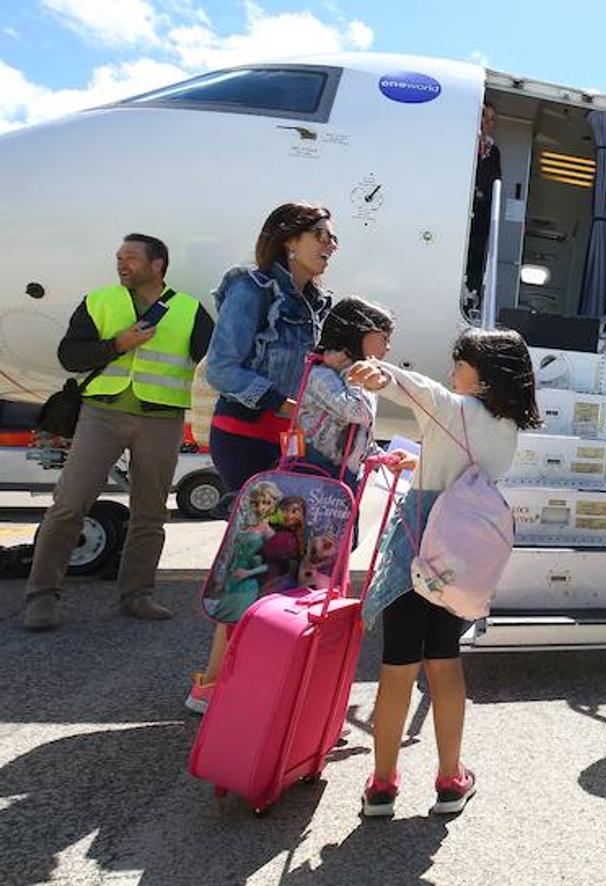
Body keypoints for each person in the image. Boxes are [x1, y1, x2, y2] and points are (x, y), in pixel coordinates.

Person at [349, 328, 540, 818]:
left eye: (461, 364)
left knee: (396, 671)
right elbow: (462, 467)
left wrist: (378, 370)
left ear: (484, 375)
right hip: (459, 561)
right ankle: (450, 780)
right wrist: (416, 458)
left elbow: (413, 387)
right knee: (445, 663)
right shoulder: (507, 428)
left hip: (419, 554)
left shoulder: (451, 406)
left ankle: (383, 786)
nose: (452, 373)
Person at [186, 202, 337, 714]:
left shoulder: (318, 302)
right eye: (320, 234)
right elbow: (222, 369)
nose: (329, 245)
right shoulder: (251, 288)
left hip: (289, 442)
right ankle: (211, 683)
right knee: (258, 557)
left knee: (284, 561)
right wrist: (280, 401)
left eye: (331, 238)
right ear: (288, 239)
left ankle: (251, 679)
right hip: (247, 435)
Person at [22, 234, 213, 631]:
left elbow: (214, 362)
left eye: (131, 258)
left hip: (161, 420)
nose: (122, 264)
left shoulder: (190, 310)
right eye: (119, 258)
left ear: (157, 264)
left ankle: (137, 595)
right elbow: (70, 356)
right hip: (101, 415)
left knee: (151, 513)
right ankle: (41, 598)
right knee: (69, 504)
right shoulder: (100, 301)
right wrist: (117, 344)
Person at [299, 296, 396, 491]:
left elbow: (362, 430)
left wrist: (379, 458)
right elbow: (358, 411)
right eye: (384, 338)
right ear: (358, 334)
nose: (388, 347)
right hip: (315, 479)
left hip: (345, 482)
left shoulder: (357, 381)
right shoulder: (321, 376)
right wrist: (353, 373)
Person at [464, 100, 504, 304]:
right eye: (484, 116)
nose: (487, 122)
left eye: (491, 119)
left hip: (481, 210)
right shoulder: (464, 143)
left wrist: (482, 194)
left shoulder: (493, 150)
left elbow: (495, 180)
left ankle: (472, 295)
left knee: (477, 252)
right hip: (462, 208)